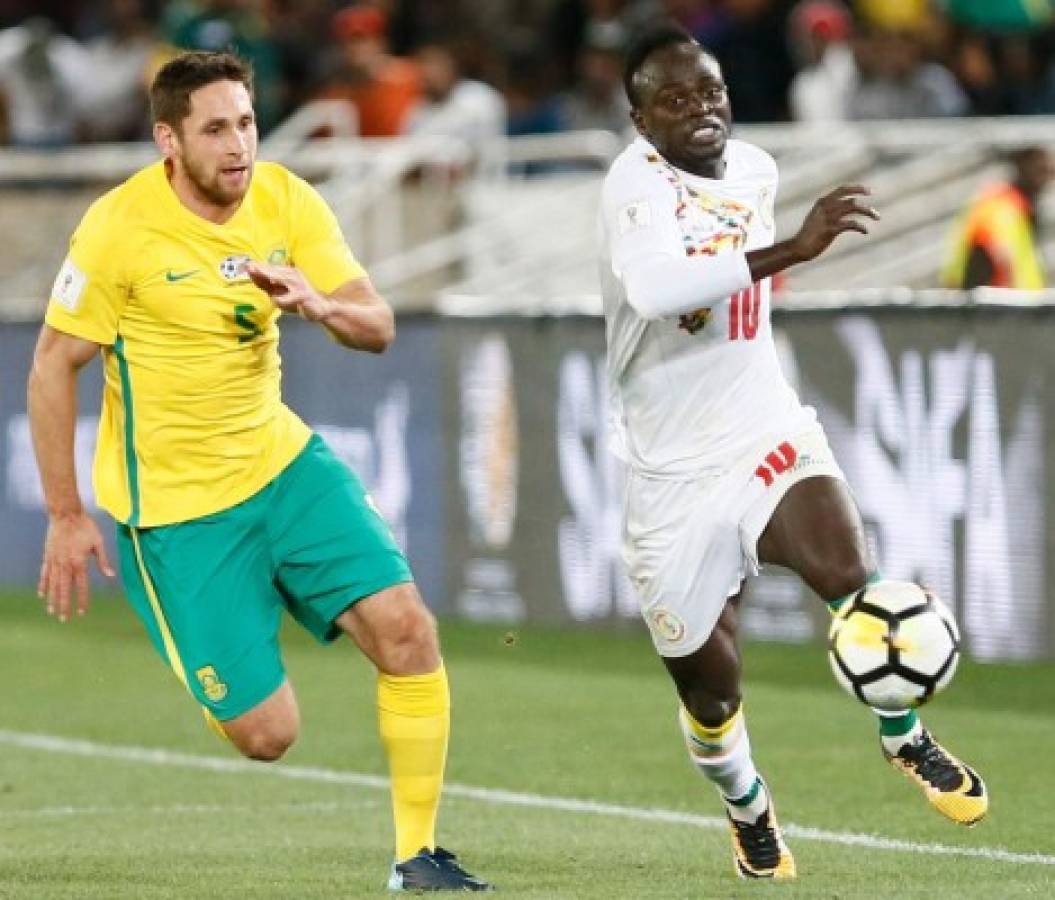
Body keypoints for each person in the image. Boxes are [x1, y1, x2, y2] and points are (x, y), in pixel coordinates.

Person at [27, 50, 491, 894]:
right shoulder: (118, 227)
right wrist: (65, 512)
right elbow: (54, 364)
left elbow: (377, 325)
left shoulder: (284, 198)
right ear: (169, 139)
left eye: (245, 122)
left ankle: (417, 857)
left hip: (282, 465)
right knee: (267, 735)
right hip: (176, 513)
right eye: (215, 128)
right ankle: (218, 622)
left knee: (408, 632)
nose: (238, 144)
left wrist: (317, 304)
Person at [599, 24, 988, 881]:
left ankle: (903, 734)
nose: (700, 110)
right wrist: (794, 249)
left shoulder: (755, 171)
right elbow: (658, 290)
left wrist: (781, 251)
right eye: (673, 99)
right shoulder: (633, 185)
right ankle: (748, 810)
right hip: (669, 471)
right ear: (638, 120)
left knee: (853, 576)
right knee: (710, 693)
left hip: (759, 425)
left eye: (711, 92)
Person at [941, 146, 1054, 289]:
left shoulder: (1019, 209)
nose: (1049, 171)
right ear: (1022, 163)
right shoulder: (999, 206)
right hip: (1002, 306)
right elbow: (994, 253)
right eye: (1041, 166)